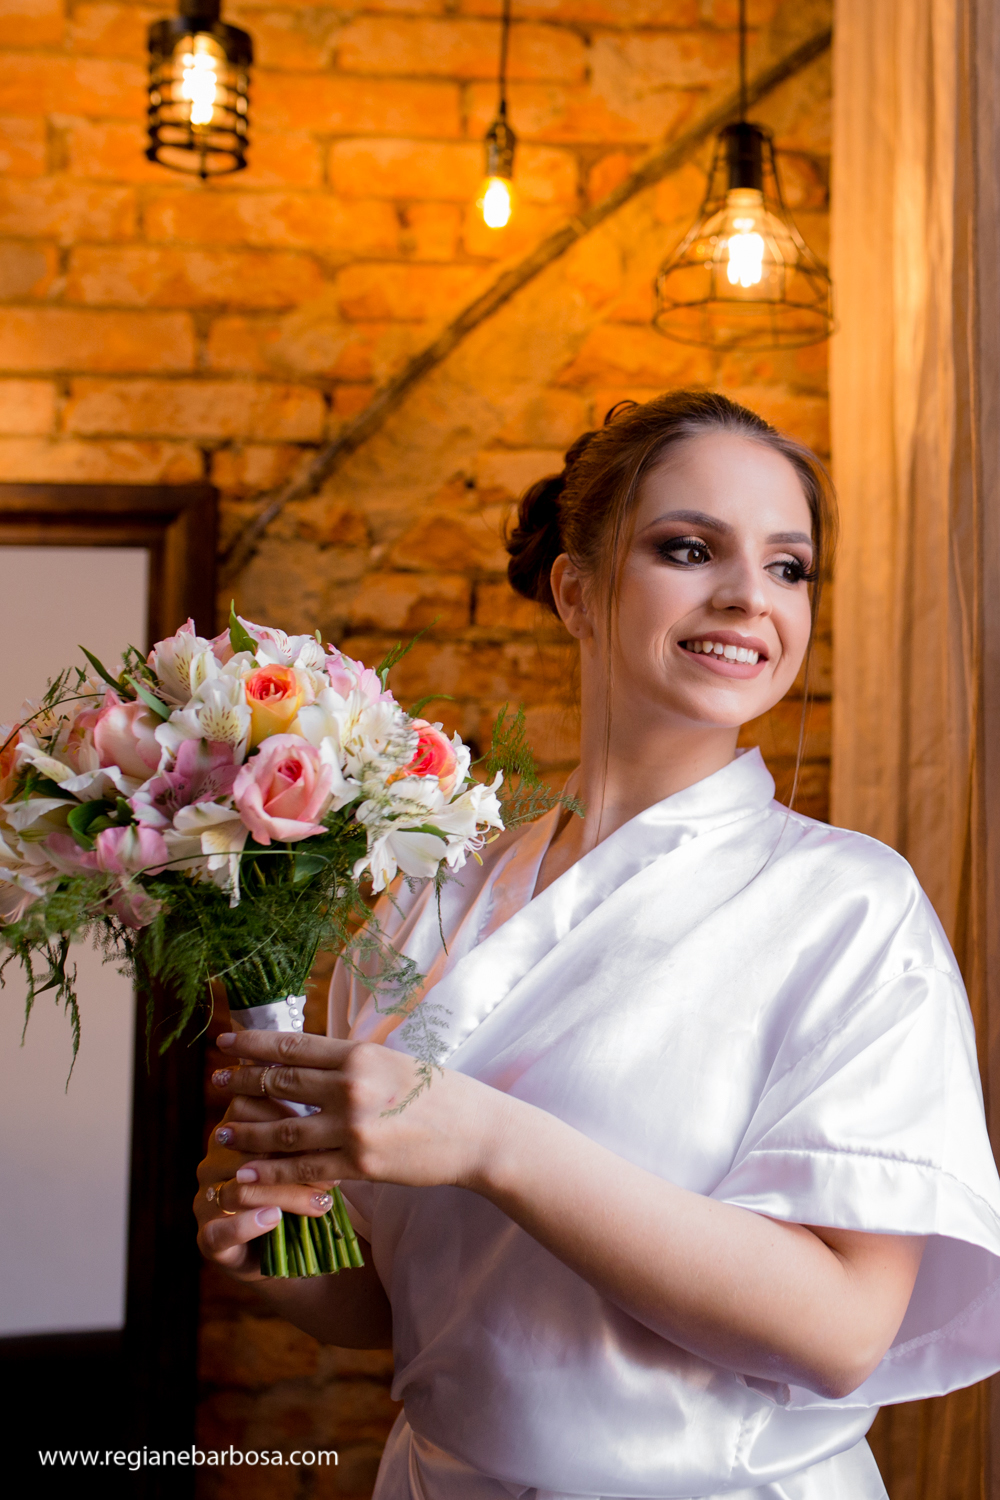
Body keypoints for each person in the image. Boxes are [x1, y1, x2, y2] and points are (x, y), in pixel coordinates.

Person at [196, 391, 1000, 1500]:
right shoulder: (433, 895)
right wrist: (273, 1256)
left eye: (787, 567)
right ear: (575, 591)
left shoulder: (851, 908)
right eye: (688, 548)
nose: (746, 598)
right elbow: (398, 1311)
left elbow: (842, 1328)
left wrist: (487, 1139)